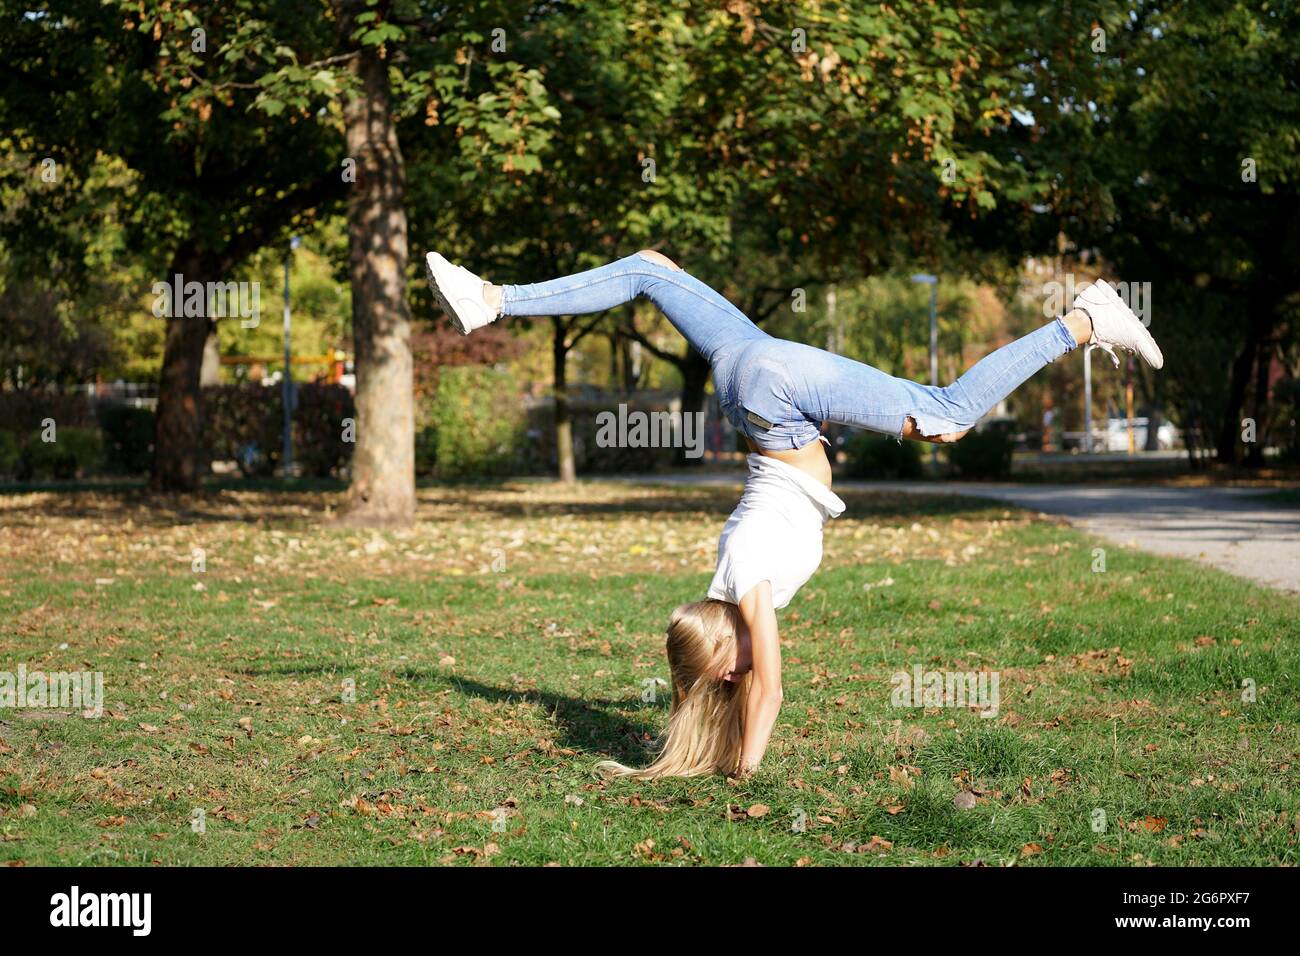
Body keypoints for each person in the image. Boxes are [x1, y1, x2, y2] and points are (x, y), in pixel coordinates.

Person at [425, 249, 1163, 779]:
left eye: (725, 672)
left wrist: (743, 771)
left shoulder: (747, 587)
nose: (742, 671)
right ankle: (492, 298)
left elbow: (772, 690)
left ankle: (1083, 321)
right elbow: (750, 679)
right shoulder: (732, 580)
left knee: (947, 415)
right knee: (652, 268)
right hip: (746, 372)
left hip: (769, 394)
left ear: (718, 651)